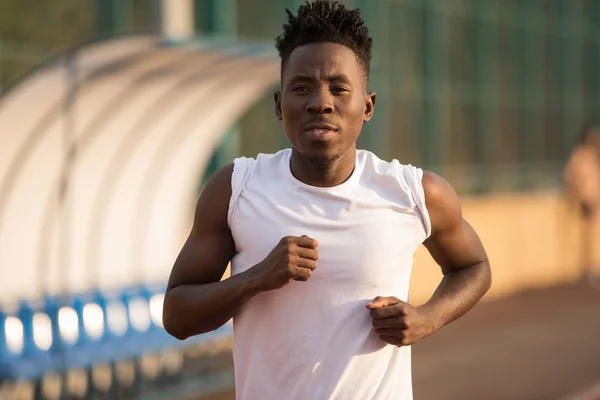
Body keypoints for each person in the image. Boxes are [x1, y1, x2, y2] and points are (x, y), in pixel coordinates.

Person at [162, 1, 491, 399]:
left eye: (338, 87)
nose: (321, 102)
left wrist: (428, 318)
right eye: (301, 88)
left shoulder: (412, 192)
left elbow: (473, 266)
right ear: (279, 105)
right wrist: (255, 279)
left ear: (367, 106)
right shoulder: (237, 188)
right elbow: (176, 315)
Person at [564, 124, 600, 279]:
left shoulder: (591, 156)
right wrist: (577, 196)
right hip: (585, 201)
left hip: (593, 200)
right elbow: (572, 177)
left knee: (592, 236)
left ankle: (590, 266)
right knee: (586, 237)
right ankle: (586, 268)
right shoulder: (579, 156)